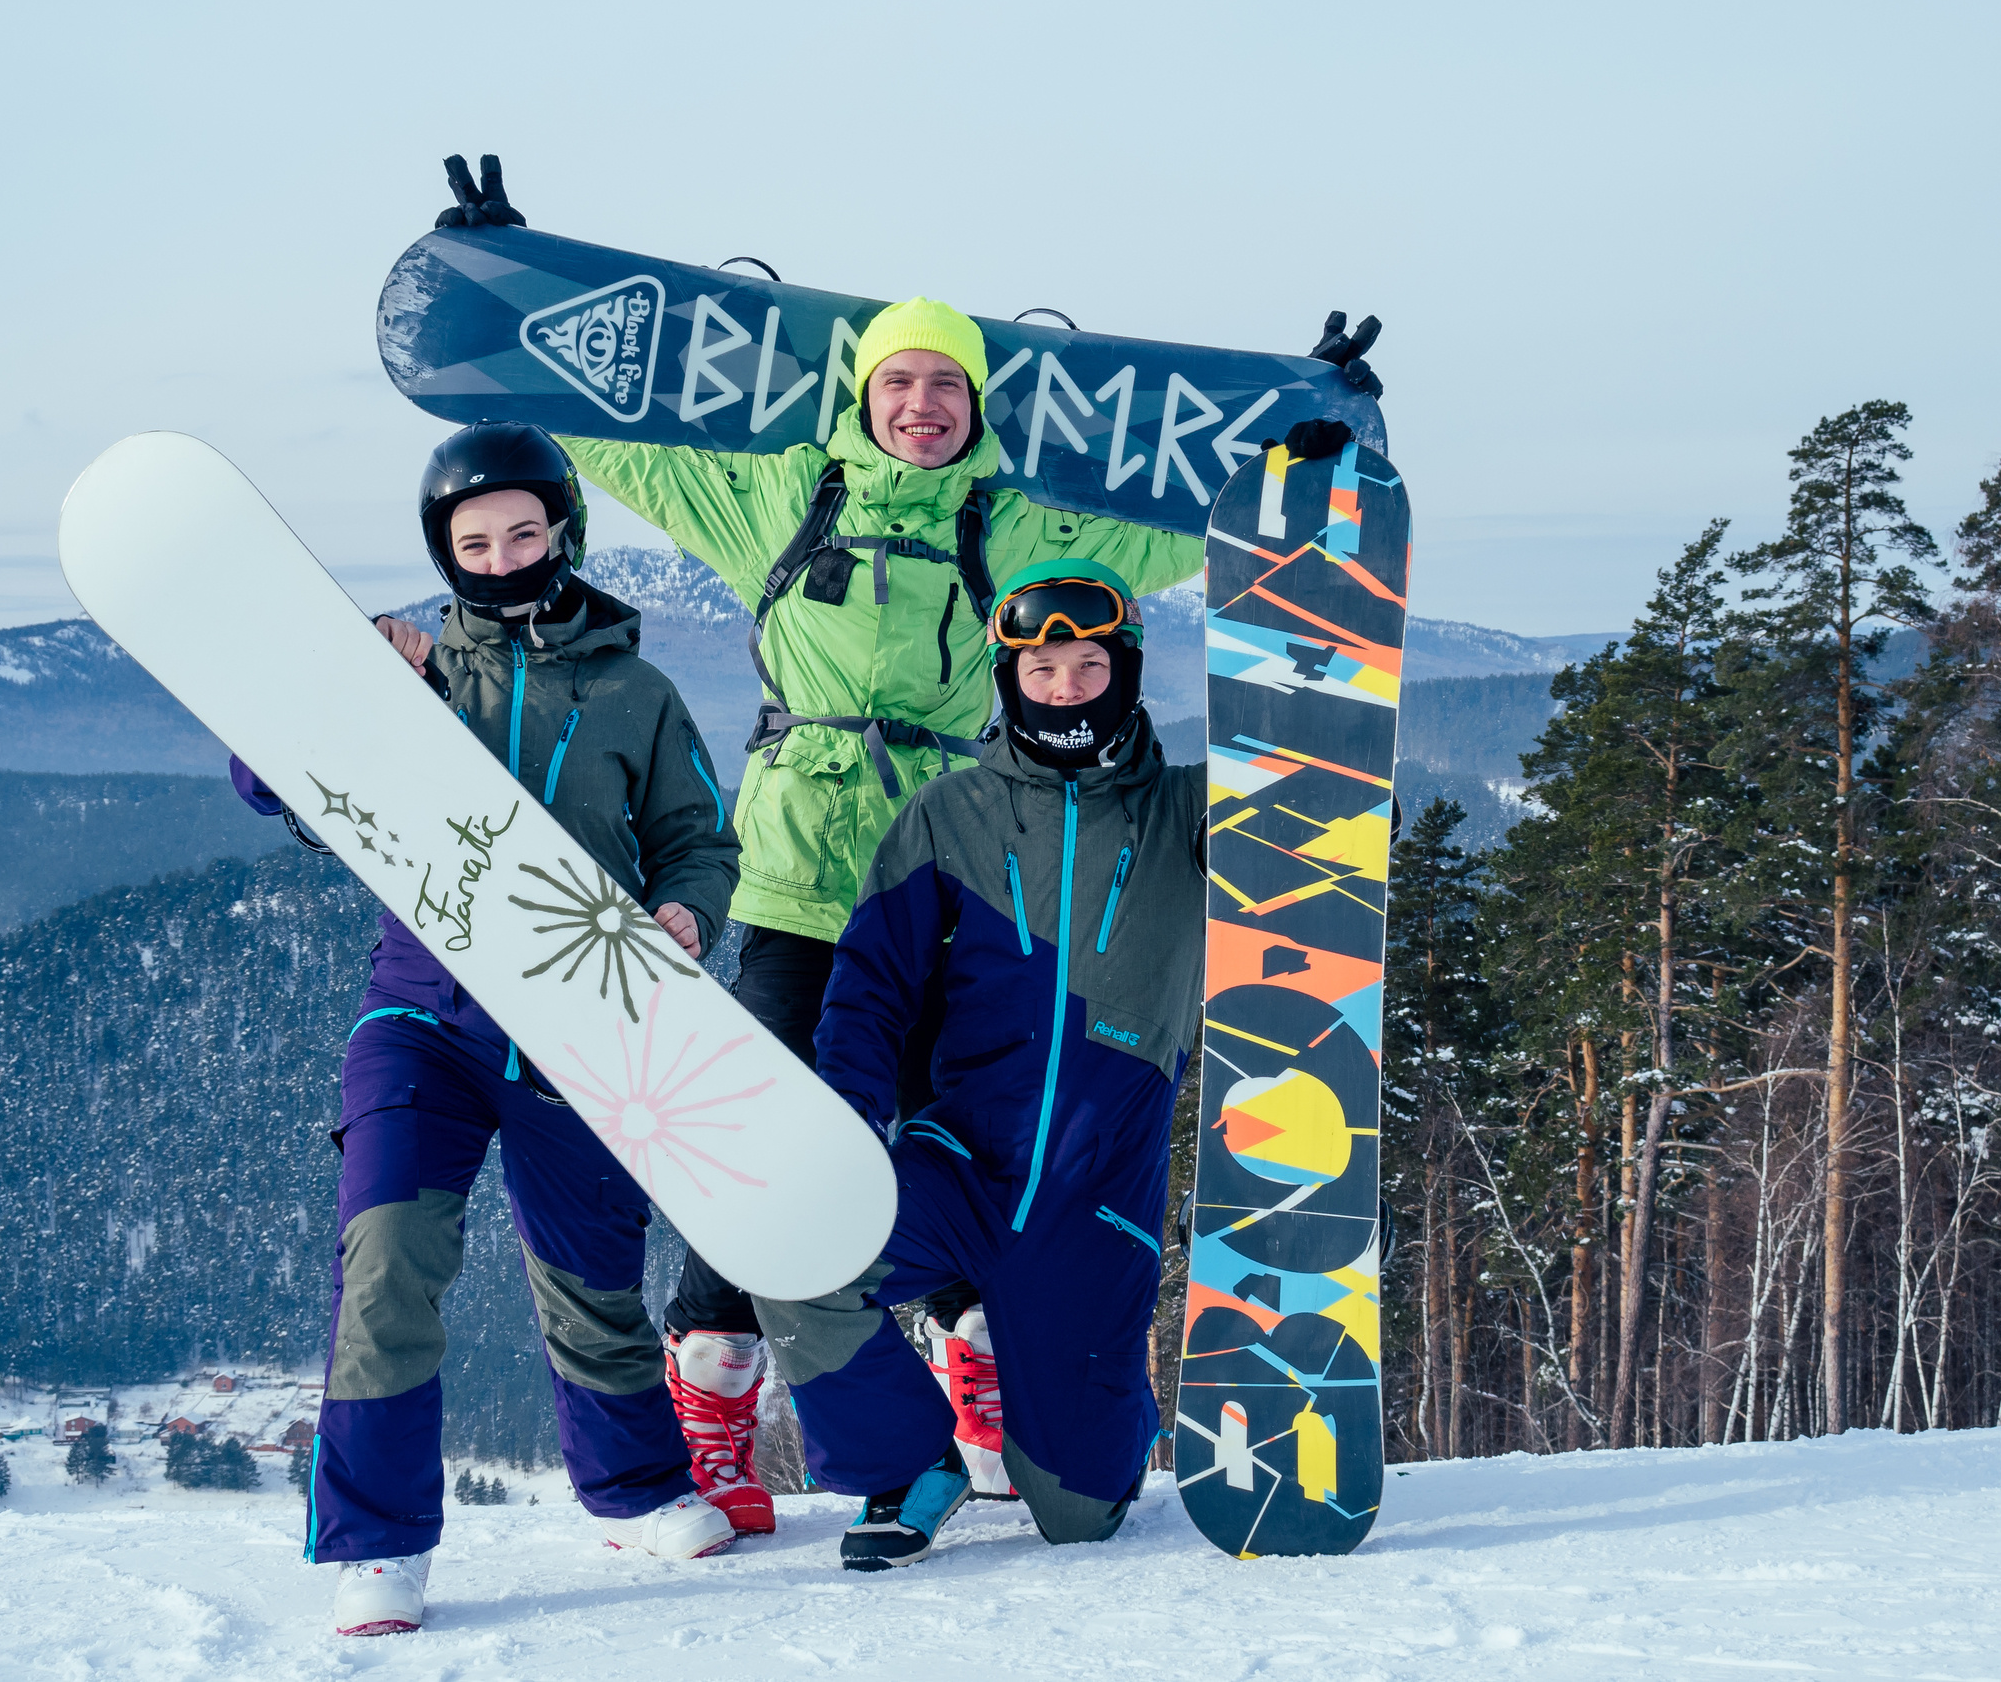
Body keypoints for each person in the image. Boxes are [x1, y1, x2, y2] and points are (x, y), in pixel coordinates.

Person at [431, 154, 1383, 1529]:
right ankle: (716, 1396)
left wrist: (1305, 418)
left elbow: (1185, 520)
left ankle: (975, 1368)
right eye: (899, 383)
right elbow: (621, 442)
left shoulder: (1022, 519)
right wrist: (498, 288)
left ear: (974, 406)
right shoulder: (779, 497)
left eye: (947, 386)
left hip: (962, 873)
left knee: (955, 1127)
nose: (923, 405)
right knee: (752, 1137)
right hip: (797, 872)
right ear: (863, 396)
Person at [229, 422, 744, 1637]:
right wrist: (345, 680)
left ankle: (630, 1491)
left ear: (563, 532)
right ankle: (378, 1547)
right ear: (444, 553)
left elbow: (699, 837)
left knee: (592, 1277)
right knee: (389, 1260)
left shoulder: (636, 691)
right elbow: (264, 782)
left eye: (525, 532)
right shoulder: (414, 668)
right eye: (475, 540)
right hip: (426, 1012)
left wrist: (687, 908)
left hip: (583, 1012)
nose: (504, 556)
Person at [751, 559, 1205, 1569]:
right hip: (957, 1167)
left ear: (1123, 673)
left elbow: (1324, 846)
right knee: (792, 1248)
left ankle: (1060, 1398)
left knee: (1079, 1513)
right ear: (1008, 680)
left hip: (1096, 1205)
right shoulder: (945, 816)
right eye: (1040, 673)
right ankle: (912, 1462)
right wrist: (847, 1127)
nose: (1063, 691)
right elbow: (869, 987)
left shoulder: (1191, 814)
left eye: (1086, 668)